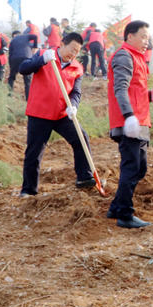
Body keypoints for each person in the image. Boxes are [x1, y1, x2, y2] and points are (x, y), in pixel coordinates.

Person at [17, 32, 94, 196]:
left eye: (77, 52)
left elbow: (76, 92)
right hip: (40, 113)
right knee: (34, 152)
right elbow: (23, 69)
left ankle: (84, 177)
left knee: (81, 138)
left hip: (61, 114)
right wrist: (41, 60)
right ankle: (28, 190)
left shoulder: (77, 68)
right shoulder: (45, 55)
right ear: (62, 44)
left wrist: (73, 106)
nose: (73, 54)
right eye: (72, 49)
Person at [106, 20, 153, 228]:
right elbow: (120, 89)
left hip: (139, 120)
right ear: (130, 36)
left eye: (148, 37)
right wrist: (129, 115)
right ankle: (124, 214)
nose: (147, 41)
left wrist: (150, 96)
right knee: (132, 168)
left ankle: (116, 207)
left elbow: (135, 91)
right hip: (129, 122)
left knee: (139, 169)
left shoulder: (138, 58)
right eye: (143, 36)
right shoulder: (124, 56)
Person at [7, 29, 39, 100]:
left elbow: (10, 54)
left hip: (15, 59)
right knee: (27, 80)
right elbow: (35, 36)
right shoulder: (26, 36)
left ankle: (9, 95)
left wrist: (11, 66)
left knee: (11, 78)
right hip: (26, 58)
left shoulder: (12, 40)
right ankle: (28, 99)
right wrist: (35, 47)